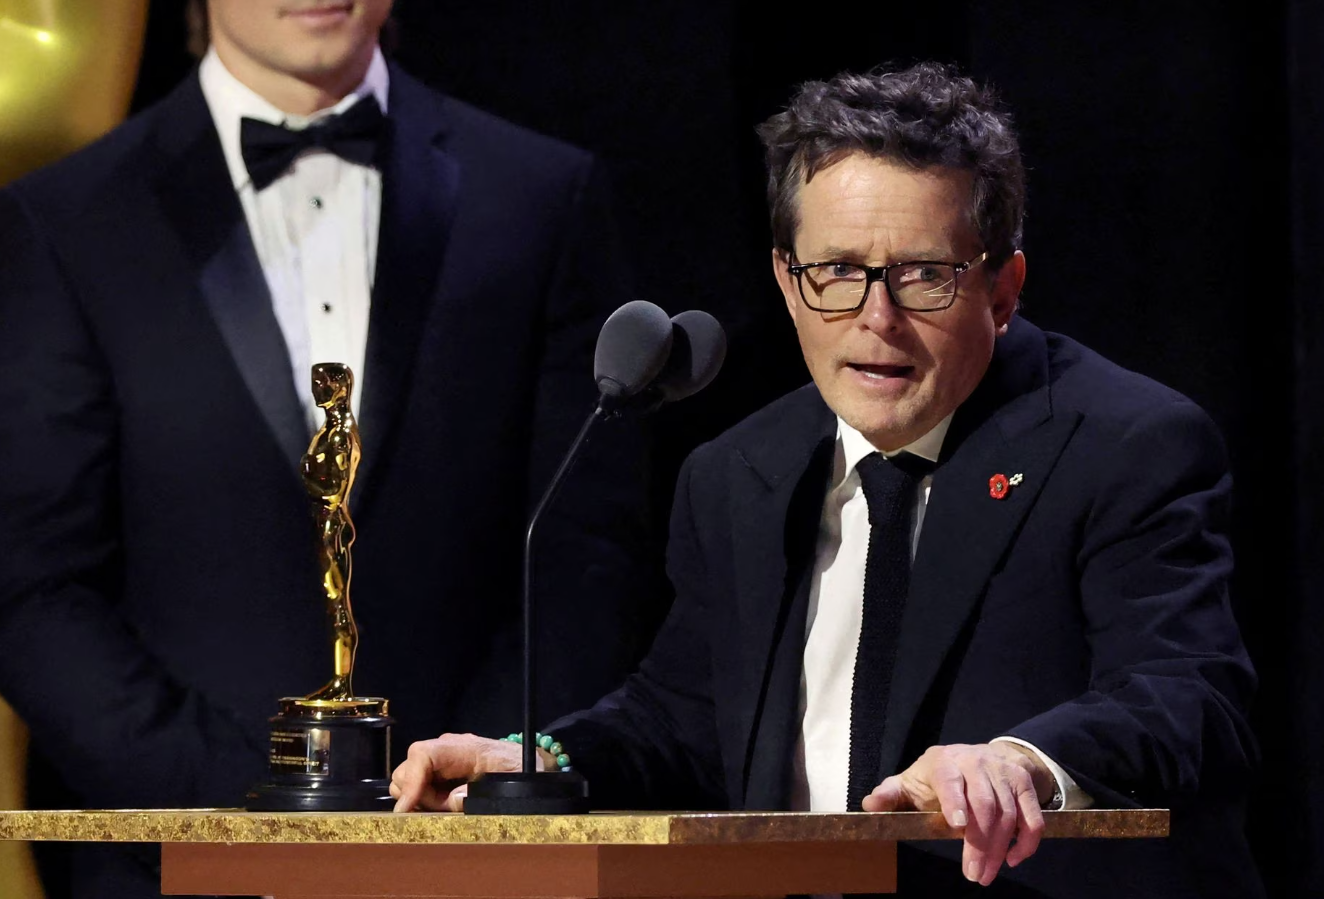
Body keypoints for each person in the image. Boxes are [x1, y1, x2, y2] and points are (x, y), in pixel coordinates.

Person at [390, 62, 1264, 898]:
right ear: (786, 280)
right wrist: (539, 759)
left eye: (924, 275)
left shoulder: (1125, 444)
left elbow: (1189, 697)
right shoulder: (736, 474)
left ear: (1002, 289)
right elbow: (683, 719)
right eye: (840, 272)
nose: (875, 321)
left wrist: (1018, 761)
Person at [0, 2, 653, 897]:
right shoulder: (65, 219)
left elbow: (588, 549)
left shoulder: (540, 194)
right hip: (172, 859)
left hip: (482, 861)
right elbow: (33, 582)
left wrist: (468, 799)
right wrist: (241, 819)